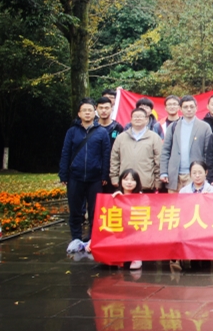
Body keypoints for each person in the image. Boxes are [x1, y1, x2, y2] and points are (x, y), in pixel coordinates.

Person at [59, 98, 111, 252]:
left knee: (95, 210)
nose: (87, 113)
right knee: (75, 210)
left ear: (94, 112)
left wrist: (104, 175)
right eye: (84, 110)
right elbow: (66, 153)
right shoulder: (72, 132)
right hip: (75, 176)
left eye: (90, 110)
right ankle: (76, 238)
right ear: (79, 113)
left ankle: (92, 238)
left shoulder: (102, 132)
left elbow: (106, 155)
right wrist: (63, 174)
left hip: (95, 178)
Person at [160, 95, 212, 193]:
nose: (189, 109)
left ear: (196, 108)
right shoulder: (173, 126)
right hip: (175, 175)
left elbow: (208, 153)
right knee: (174, 202)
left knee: (193, 202)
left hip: (195, 175)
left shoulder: (205, 127)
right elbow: (165, 151)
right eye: (185, 107)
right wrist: (163, 172)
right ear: (180, 109)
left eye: (191, 107)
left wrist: (206, 173)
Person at [110, 108, 163, 192]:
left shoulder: (154, 137)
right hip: (125, 184)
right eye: (135, 116)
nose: (138, 118)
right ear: (131, 119)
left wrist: (158, 181)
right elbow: (114, 159)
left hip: (146, 184)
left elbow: (159, 161)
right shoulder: (121, 137)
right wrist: (114, 178)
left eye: (141, 116)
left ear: (146, 119)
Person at [111, 169, 144, 269]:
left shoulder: (141, 197)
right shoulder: (116, 195)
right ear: (121, 181)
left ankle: (136, 257)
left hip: (134, 228)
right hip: (120, 228)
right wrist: (114, 199)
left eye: (133, 180)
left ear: (137, 182)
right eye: (126, 179)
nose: (129, 182)